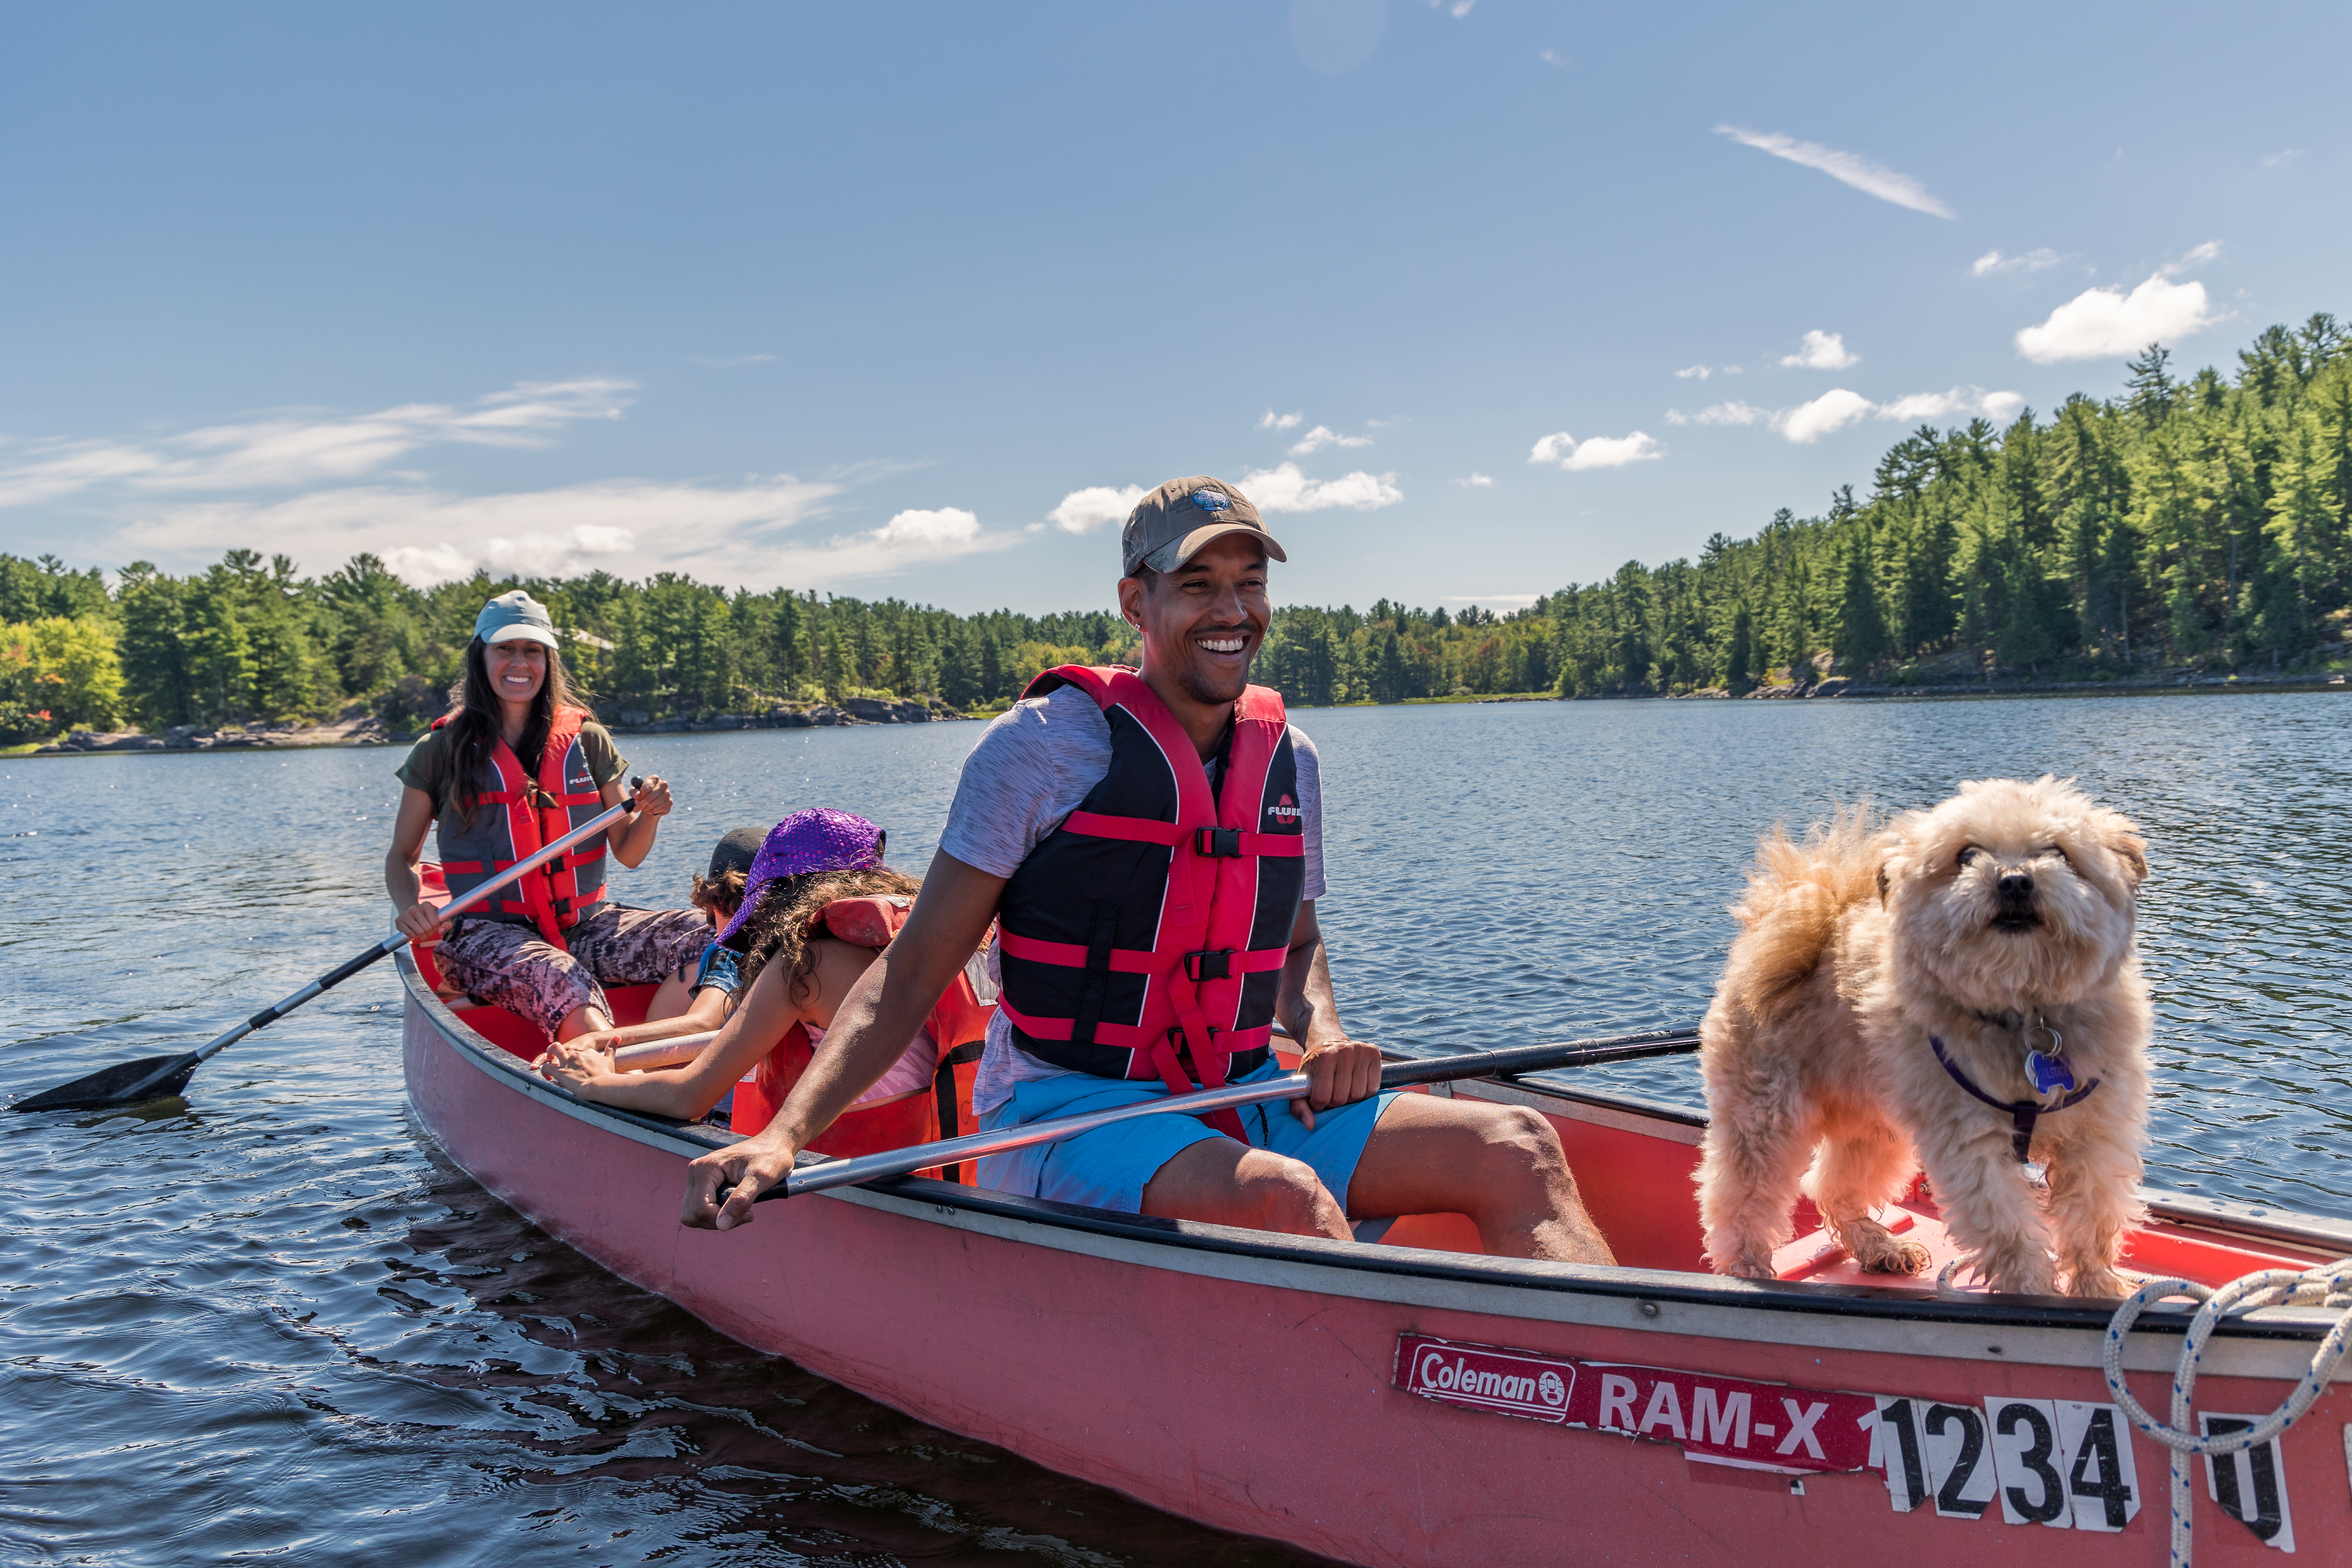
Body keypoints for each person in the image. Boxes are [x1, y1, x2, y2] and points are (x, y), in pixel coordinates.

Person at [680, 477, 1617, 1263]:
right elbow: (913, 969)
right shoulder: (1042, 751)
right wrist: (782, 1135)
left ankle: (1605, 1402)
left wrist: (1324, 1029)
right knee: (1283, 1202)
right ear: (1138, 603)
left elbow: (1295, 946)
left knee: (1516, 1144)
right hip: (1066, 1110)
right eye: (1199, 583)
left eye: (1250, 584)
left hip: (1244, 1089)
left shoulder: (1291, 759)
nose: (1233, 611)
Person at [540, 810, 991, 1171]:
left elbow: (688, 1096)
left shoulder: (803, 965)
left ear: (776, 894)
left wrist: (596, 1082)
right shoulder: (942, 938)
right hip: (966, 1166)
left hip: (866, 1181)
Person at [383, 589, 704, 1044]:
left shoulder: (588, 741)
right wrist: (408, 908)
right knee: (559, 974)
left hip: (586, 926)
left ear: (548, 660)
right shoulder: (439, 751)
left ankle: (671, 1057)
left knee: (713, 931)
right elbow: (402, 857)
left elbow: (629, 853)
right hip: (483, 935)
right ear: (481, 657)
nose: (520, 663)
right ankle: (612, 1079)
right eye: (505, 650)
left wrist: (650, 815)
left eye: (533, 651)